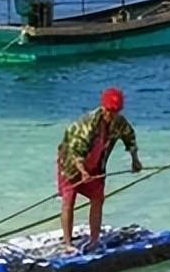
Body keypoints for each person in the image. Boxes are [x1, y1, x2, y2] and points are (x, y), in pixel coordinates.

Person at [56, 87, 142, 252]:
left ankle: (94, 240)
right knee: (69, 200)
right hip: (71, 164)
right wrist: (82, 172)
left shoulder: (119, 123)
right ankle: (68, 243)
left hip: (96, 166)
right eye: (110, 111)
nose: (112, 115)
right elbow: (76, 152)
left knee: (98, 199)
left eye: (116, 111)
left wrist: (135, 160)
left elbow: (130, 138)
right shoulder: (87, 125)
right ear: (103, 108)